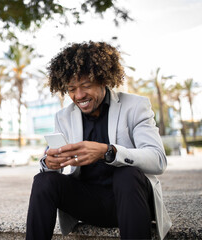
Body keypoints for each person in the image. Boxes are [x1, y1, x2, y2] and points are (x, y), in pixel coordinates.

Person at [26, 41, 172, 240]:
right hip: (88, 202)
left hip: (131, 201)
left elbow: (158, 160)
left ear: (103, 80)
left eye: (86, 86)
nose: (79, 96)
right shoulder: (64, 116)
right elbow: (53, 162)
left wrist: (108, 151)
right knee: (43, 180)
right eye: (71, 89)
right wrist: (49, 163)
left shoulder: (135, 106)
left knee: (126, 175)